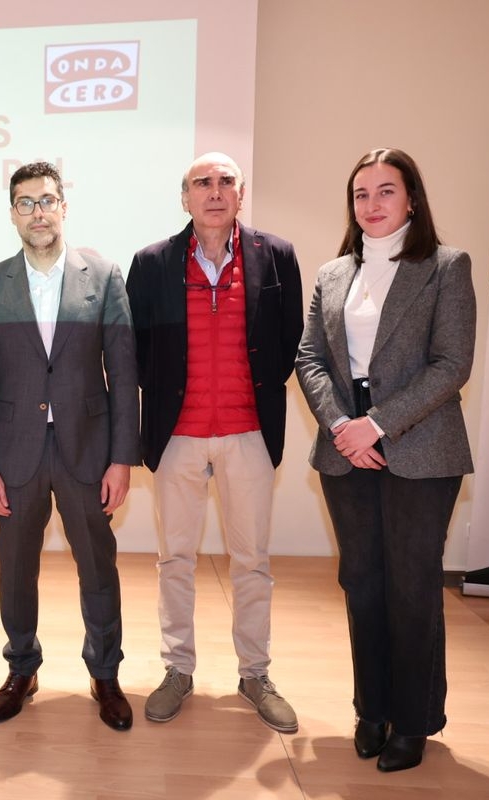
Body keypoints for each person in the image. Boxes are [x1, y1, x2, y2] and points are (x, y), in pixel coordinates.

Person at [295, 147, 475, 772]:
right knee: (361, 582)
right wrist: (345, 426)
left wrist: (378, 424)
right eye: (361, 194)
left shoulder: (446, 267)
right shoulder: (331, 274)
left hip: (421, 451)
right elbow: (309, 358)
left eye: (385, 192)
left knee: (412, 586)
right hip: (347, 452)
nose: (371, 205)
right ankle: (371, 710)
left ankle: (414, 720)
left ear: (412, 199)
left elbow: (452, 365)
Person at [125, 152, 303, 732]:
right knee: (175, 559)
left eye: (226, 181)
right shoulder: (151, 263)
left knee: (252, 561)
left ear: (241, 193)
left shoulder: (276, 255)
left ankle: (255, 674)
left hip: (249, 433)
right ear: (186, 198)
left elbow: (290, 339)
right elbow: (135, 351)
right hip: (177, 436)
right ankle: (178, 670)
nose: (215, 190)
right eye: (202, 182)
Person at [0, 161, 139, 732]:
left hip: (87, 450)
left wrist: (121, 457)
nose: (37, 212)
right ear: (12, 213)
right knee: (15, 566)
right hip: (14, 454)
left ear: (64, 207)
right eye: (25, 202)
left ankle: (105, 673)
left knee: (98, 564)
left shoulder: (106, 274)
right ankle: (22, 667)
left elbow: (123, 370)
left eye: (46, 200)